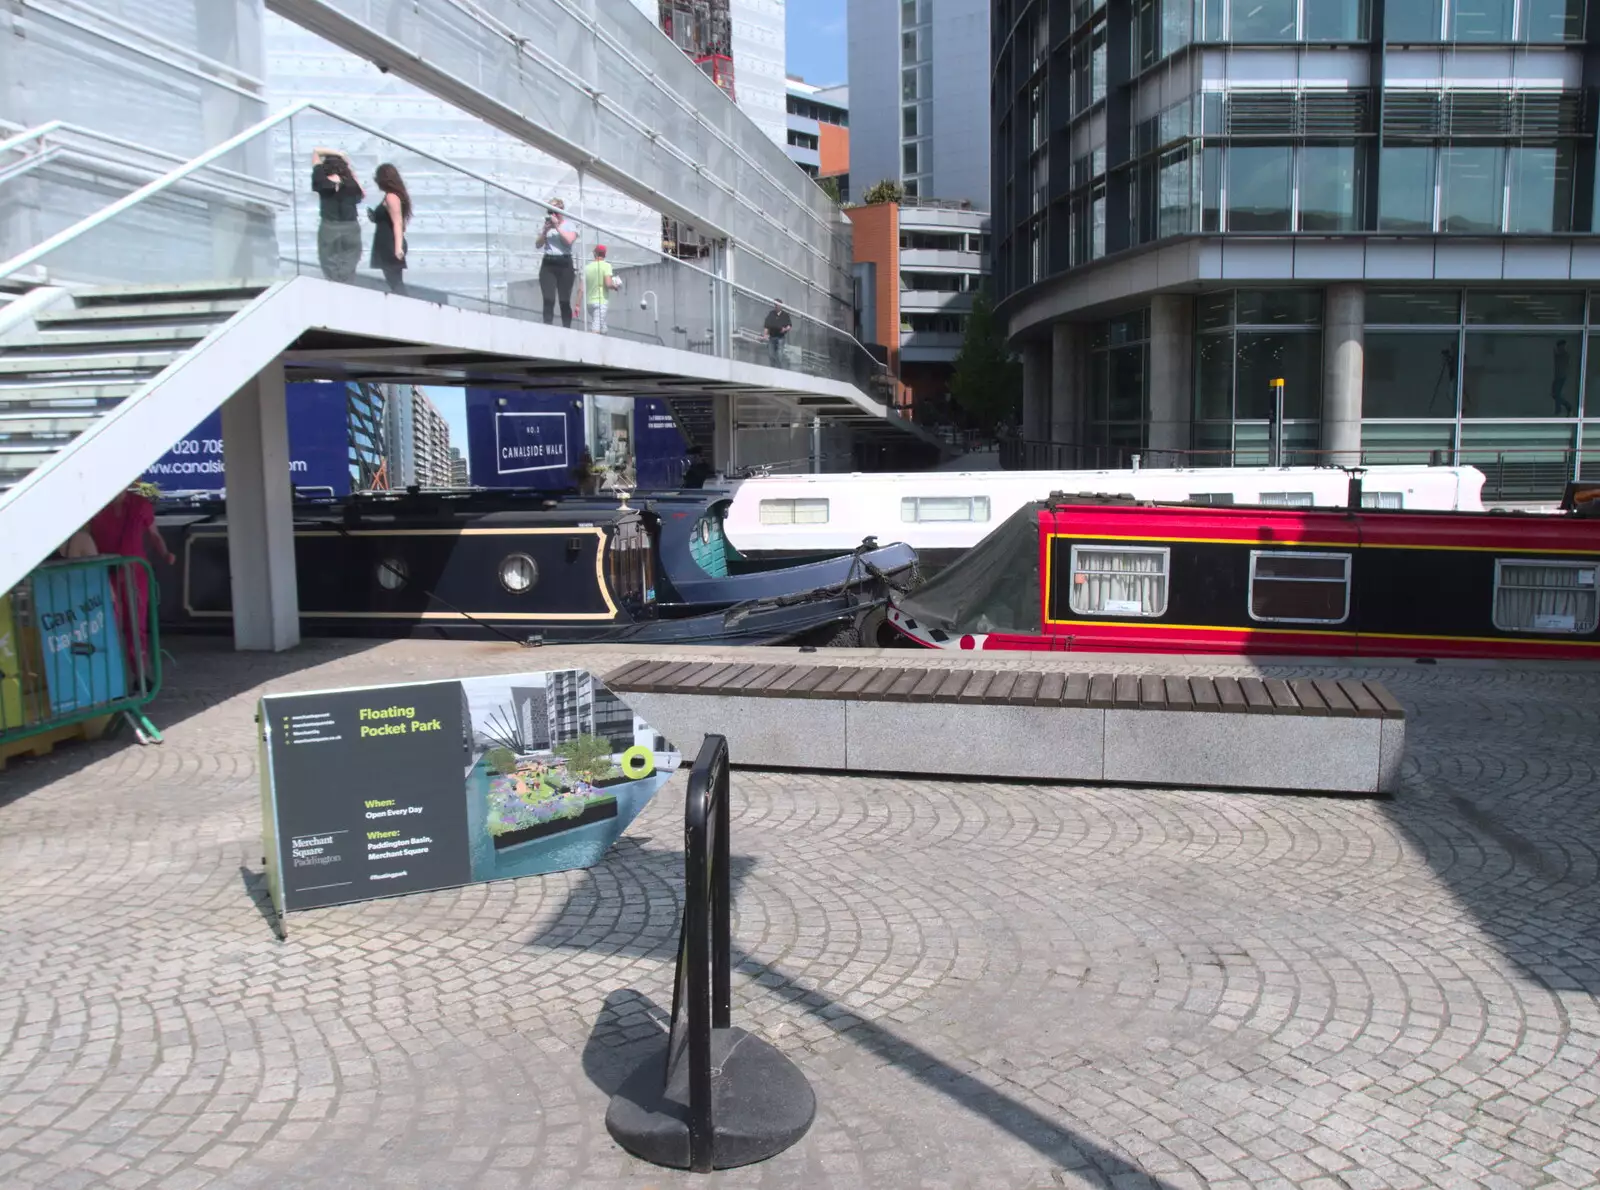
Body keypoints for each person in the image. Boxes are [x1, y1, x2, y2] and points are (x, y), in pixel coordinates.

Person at [88, 484, 174, 681]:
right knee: (108, 625)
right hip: (106, 574)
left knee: (136, 625)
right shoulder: (95, 506)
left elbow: (154, 535)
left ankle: (141, 675)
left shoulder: (140, 505)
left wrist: (165, 554)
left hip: (134, 574)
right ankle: (114, 679)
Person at [310, 148, 363, 283]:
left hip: (329, 225)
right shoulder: (350, 182)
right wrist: (348, 167)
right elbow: (362, 194)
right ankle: (347, 288)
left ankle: (335, 287)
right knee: (350, 262)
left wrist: (338, 154)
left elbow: (316, 151)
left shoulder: (320, 178)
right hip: (351, 226)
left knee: (328, 261)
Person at [368, 163, 411, 295]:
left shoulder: (391, 197)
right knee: (394, 282)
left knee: (396, 283)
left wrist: (398, 248)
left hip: (390, 244)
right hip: (388, 242)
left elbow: (397, 223)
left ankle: (406, 308)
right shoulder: (395, 196)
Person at [539, 199, 579, 328]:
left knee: (564, 300)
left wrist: (557, 227)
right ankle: (547, 327)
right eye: (550, 211)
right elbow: (538, 244)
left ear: (561, 211)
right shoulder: (547, 226)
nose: (553, 215)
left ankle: (566, 328)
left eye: (555, 211)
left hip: (564, 263)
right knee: (548, 298)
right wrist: (545, 231)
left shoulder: (569, 225)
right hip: (549, 262)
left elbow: (568, 241)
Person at [583, 244, 622, 334]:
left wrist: (577, 304)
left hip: (589, 303)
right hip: (601, 302)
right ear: (605, 255)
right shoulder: (606, 266)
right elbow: (608, 283)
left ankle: (605, 343)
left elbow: (581, 288)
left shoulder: (587, 268)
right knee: (596, 328)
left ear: (594, 254)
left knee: (603, 327)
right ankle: (590, 346)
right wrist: (615, 286)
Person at [763, 298, 792, 368]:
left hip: (780, 337)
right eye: (775, 305)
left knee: (779, 355)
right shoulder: (771, 314)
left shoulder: (785, 315)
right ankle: (773, 369)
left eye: (777, 305)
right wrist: (765, 335)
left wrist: (785, 329)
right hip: (772, 337)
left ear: (781, 306)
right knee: (771, 354)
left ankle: (779, 369)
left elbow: (789, 326)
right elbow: (766, 325)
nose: (776, 306)